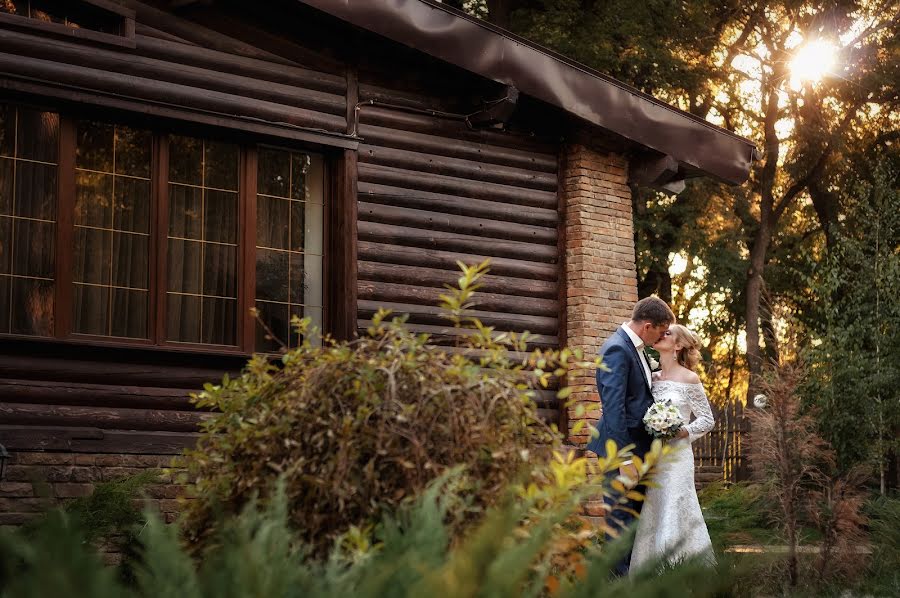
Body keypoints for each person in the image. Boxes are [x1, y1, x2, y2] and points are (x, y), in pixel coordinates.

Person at [585, 296, 675, 576]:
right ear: (648, 326)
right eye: (660, 332)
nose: (661, 338)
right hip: (621, 450)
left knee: (631, 519)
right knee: (619, 520)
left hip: (636, 449)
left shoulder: (634, 348)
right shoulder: (616, 349)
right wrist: (624, 458)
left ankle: (630, 580)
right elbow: (613, 409)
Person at [630, 324, 716, 572]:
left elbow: (707, 420)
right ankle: (648, 573)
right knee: (654, 509)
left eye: (667, 334)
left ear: (678, 346)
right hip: (655, 456)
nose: (661, 334)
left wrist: (682, 431)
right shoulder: (652, 377)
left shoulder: (690, 378)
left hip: (677, 457)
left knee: (675, 506)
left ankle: (677, 571)